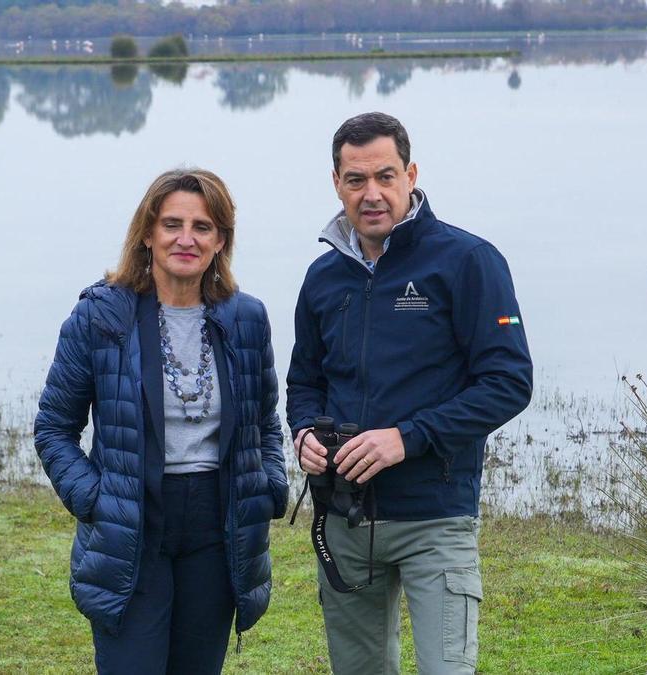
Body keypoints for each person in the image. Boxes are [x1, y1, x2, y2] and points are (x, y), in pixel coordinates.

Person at [286, 112, 533, 674]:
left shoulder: (468, 261)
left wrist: (407, 438)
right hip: (345, 519)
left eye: (385, 176)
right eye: (356, 180)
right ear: (336, 183)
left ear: (411, 174)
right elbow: (305, 381)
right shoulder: (323, 277)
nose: (371, 194)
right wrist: (304, 432)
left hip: (435, 519)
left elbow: (509, 382)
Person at [34, 168, 289, 674]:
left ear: (221, 241)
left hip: (216, 527)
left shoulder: (246, 319)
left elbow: (264, 422)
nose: (186, 239)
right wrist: (94, 499)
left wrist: (271, 485)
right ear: (147, 233)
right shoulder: (100, 317)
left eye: (203, 227)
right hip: (133, 522)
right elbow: (54, 430)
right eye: (172, 224)